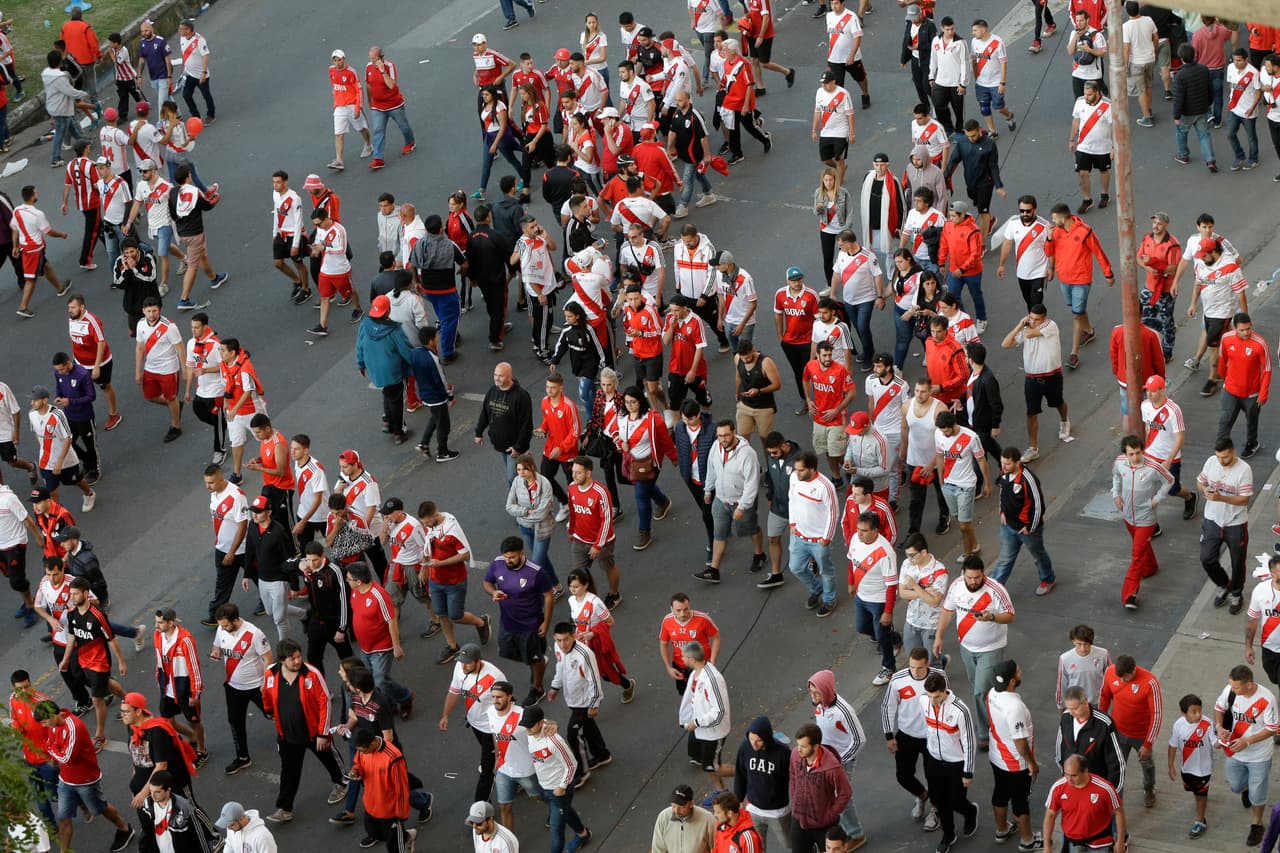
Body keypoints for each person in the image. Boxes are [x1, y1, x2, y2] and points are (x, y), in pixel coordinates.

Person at [258, 638, 347, 822]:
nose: (298, 661)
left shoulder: (312, 674)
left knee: (329, 759)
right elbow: (266, 693)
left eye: (299, 656)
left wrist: (323, 734)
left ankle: (342, 782)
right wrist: (267, 710)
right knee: (288, 772)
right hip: (287, 735)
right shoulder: (270, 674)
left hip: (314, 733)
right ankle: (284, 808)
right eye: (292, 658)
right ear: (282, 660)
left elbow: (325, 703)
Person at [34, 699, 135, 853]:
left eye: (44, 722)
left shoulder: (74, 727)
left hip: (85, 780)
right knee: (63, 818)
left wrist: (51, 749)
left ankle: (125, 829)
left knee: (101, 808)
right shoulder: (53, 726)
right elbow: (53, 745)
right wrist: (54, 752)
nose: (43, 725)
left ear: (53, 715)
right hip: (66, 780)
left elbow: (67, 758)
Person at [934, 557, 1014, 747]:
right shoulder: (957, 586)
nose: (973, 581)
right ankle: (997, 716)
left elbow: (1010, 615)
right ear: (963, 574)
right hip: (966, 648)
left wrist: (992, 617)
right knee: (981, 689)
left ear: (983, 574)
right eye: (970, 577)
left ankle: (985, 733)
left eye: (977, 577)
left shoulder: (996, 590)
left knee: (980, 691)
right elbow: (947, 611)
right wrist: (938, 637)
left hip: (991, 648)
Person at [484, 537, 555, 707]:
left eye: (512, 557)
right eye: (506, 556)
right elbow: (487, 582)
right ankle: (538, 662)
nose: (508, 560)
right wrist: (493, 592)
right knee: (507, 652)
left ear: (522, 553)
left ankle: (537, 688)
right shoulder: (498, 563)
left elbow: (548, 595)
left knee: (533, 658)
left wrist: (546, 622)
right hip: (507, 623)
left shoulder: (535, 572)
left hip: (530, 626)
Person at [883, 648, 947, 830]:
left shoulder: (938, 676)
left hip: (932, 736)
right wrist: (889, 736)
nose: (915, 672)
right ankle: (921, 795)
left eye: (919, 668)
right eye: (912, 667)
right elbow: (888, 708)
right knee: (903, 775)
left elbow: (947, 701)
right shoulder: (898, 679)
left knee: (933, 777)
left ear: (927, 664)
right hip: (906, 735)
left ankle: (935, 810)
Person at [1045, 202, 1114, 369]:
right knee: (1078, 309)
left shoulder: (1084, 231)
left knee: (1076, 314)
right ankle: (1089, 331)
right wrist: (1048, 238)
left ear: (1062, 217)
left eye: (1054, 218)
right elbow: (1049, 252)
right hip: (1064, 279)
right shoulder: (1056, 232)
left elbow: (1098, 252)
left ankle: (1074, 353)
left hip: (1081, 280)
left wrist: (1108, 273)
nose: (1052, 221)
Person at [1214, 665, 1277, 846]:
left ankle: (1256, 824)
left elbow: (1272, 729)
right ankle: (1245, 789)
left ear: (1249, 685)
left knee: (1258, 794)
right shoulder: (1230, 691)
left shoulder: (1267, 699)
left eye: (1236, 687)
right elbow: (1219, 708)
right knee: (1235, 785)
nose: (1232, 690)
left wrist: (1247, 741)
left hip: (1259, 756)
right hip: (1235, 752)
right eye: (1231, 686)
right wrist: (1219, 727)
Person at [694, 420, 764, 583]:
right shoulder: (715, 447)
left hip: (741, 502)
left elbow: (752, 483)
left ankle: (759, 554)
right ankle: (714, 569)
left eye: (726, 435)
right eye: (720, 436)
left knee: (751, 529)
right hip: (720, 499)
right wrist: (708, 490)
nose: (723, 439)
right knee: (719, 534)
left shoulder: (747, 454)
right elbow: (712, 469)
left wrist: (743, 506)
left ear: (734, 433)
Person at [1112, 435, 1174, 609]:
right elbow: (1116, 477)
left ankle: (1129, 595)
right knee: (1141, 547)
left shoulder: (1153, 466)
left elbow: (1169, 480)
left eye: (1138, 453)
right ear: (1125, 453)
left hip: (1146, 518)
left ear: (1142, 450)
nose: (1135, 458)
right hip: (1128, 516)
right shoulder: (1119, 462)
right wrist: (1116, 494)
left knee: (1136, 555)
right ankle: (1151, 568)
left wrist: (1157, 499)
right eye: (1131, 454)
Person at [807, 669, 867, 847]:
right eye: (811, 691)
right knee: (831, 796)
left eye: (817, 692)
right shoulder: (820, 705)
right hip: (826, 758)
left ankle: (856, 835)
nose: (813, 696)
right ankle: (842, 829)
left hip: (841, 761)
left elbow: (859, 740)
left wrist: (840, 762)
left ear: (826, 690)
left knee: (842, 797)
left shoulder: (844, 711)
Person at [920, 672, 979, 851]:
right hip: (934, 760)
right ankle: (948, 834)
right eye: (930, 696)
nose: (932, 701)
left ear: (945, 690)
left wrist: (968, 771)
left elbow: (970, 742)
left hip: (956, 763)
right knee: (938, 800)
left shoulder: (960, 710)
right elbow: (927, 727)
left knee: (955, 800)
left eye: (936, 696)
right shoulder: (924, 701)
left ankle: (970, 812)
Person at [1099, 655, 1164, 808]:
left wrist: (1148, 744)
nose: (1122, 681)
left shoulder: (1150, 682)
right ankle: (1116, 801)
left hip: (1140, 736)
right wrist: (1101, 722)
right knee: (1117, 768)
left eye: (1125, 678)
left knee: (1147, 764)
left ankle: (1149, 788)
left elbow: (1157, 714)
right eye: (1119, 678)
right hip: (1118, 733)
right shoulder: (1110, 672)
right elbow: (1104, 696)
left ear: (1133, 670)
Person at [1198, 437, 1253, 614]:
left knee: (1238, 562)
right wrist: (1205, 489)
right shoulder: (1211, 462)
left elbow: (1244, 500)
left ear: (1233, 452)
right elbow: (1200, 481)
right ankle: (1224, 584)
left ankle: (1236, 593)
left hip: (1235, 522)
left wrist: (1221, 497)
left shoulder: (1244, 470)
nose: (1222, 461)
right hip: (1212, 519)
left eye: (1226, 457)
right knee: (1207, 558)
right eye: (1219, 457)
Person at [788, 723, 853, 852]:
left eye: (803, 746)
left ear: (816, 746)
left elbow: (845, 793)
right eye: (798, 745)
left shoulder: (832, 767)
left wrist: (830, 815)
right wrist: (795, 799)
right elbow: (793, 776)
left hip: (823, 825)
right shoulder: (795, 755)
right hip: (799, 819)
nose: (798, 749)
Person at [12, 184, 73, 319]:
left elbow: (15, 229)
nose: (37, 194)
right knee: (31, 278)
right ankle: (23, 306)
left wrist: (15, 246)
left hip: (25, 247)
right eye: (36, 192)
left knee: (46, 267)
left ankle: (60, 288)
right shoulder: (38, 214)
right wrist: (62, 234)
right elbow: (49, 232)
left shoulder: (17, 210)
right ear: (32, 197)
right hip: (34, 250)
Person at [1042, 755, 1125, 853]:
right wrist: (1046, 846)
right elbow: (1050, 816)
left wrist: (1120, 842)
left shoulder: (1105, 789)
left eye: (1074, 775)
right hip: (1072, 841)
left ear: (1085, 771)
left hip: (1099, 841)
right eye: (1066, 774)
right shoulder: (1058, 787)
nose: (1069, 779)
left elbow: (1119, 813)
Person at [731, 715, 792, 848]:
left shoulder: (783, 753)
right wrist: (738, 799)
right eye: (751, 739)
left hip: (778, 811)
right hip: (753, 808)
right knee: (757, 846)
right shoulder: (745, 747)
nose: (753, 744)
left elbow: (793, 779)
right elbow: (741, 774)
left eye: (758, 740)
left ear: (767, 738)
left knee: (790, 844)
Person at [1216, 312, 1270, 456]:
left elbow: (1267, 369)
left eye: (1248, 328)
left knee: (1252, 421)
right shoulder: (1226, 339)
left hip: (1252, 393)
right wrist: (1224, 378)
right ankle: (1222, 451)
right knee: (1224, 421)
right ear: (1235, 328)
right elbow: (1222, 360)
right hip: (1230, 390)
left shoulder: (1260, 343)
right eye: (1242, 330)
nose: (1246, 332)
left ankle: (1252, 443)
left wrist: (1263, 393)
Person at [475, 362, 535, 485]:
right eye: (495, 375)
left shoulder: (521, 396)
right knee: (517, 477)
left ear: (509, 377)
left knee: (512, 478)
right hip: (502, 446)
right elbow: (485, 413)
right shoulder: (492, 391)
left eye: (501, 376)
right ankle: (524, 496)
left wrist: (518, 447)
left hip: (515, 448)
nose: (497, 378)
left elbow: (526, 424)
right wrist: (478, 432)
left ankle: (519, 501)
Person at [1056, 686, 1125, 791]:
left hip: (1096, 789)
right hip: (1071, 786)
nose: (1071, 713)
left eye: (1074, 708)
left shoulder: (1104, 724)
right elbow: (1060, 751)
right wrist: (1066, 776)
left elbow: (1117, 763)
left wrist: (1112, 793)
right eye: (1068, 708)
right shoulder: (1065, 719)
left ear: (1085, 702)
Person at [1166, 693, 1214, 839]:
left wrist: (1223, 741)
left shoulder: (1208, 724)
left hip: (1203, 770)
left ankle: (1200, 821)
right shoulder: (1178, 725)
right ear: (1183, 713)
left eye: (1200, 710)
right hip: (1186, 769)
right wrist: (1171, 766)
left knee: (1201, 796)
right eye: (1194, 712)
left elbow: (1215, 741)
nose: (1198, 714)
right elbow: (1173, 746)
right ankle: (1201, 803)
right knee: (1196, 793)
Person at [1068, 81, 1113, 215]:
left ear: (1097, 93)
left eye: (1089, 94)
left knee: (1103, 170)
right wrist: (1071, 139)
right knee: (1082, 173)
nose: (1086, 97)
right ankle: (1087, 199)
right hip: (1084, 145)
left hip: (1103, 147)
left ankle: (1104, 194)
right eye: (1085, 94)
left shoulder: (1107, 105)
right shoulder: (1080, 102)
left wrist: (1114, 147)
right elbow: (1076, 120)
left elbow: (1114, 127)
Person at [1173, 43, 1217, 170]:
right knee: (1204, 135)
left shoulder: (1180, 75)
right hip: (1202, 109)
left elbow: (1178, 98)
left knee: (1181, 132)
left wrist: (1176, 115)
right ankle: (1210, 160)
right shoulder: (1203, 69)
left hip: (1186, 112)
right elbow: (1210, 89)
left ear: (1181, 58)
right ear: (1194, 55)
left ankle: (1183, 155)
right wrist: (1208, 103)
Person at [41, 51, 88, 169]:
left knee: (72, 128)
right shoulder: (59, 78)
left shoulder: (46, 74)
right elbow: (70, 91)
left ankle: (84, 143)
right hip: (61, 108)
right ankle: (55, 159)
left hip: (54, 106)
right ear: (59, 62)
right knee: (60, 134)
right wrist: (83, 93)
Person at [813, 71, 856, 188]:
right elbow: (817, 111)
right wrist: (814, 130)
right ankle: (841, 167)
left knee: (838, 159)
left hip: (841, 132)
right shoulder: (819, 92)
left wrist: (851, 133)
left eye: (826, 83)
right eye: (822, 83)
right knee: (826, 160)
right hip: (825, 132)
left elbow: (850, 115)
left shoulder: (843, 94)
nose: (824, 85)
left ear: (833, 82)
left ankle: (839, 185)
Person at [929, 18, 970, 134]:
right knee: (938, 106)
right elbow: (933, 59)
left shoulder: (960, 43)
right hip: (940, 81)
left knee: (958, 110)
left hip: (955, 83)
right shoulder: (936, 41)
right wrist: (931, 76)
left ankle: (959, 130)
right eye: (947, 29)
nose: (950, 32)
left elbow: (965, 63)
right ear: (942, 28)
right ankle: (948, 128)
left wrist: (963, 83)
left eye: (952, 29)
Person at [1224, 48, 1261, 172]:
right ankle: (1239, 156)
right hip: (1234, 108)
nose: (1236, 63)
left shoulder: (1253, 73)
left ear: (1246, 59)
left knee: (1251, 136)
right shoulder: (1230, 68)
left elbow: (1258, 91)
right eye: (1234, 60)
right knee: (1230, 134)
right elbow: (1230, 84)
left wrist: (1252, 107)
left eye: (1239, 60)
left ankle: (1253, 159)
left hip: (1248, 111)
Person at [652, 784, 717, 853]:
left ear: (691, 804)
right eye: (673, 806)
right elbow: (658, 849)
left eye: (681, 807)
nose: (676, 811)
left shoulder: (708, 820)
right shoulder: (663, 817)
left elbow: (719, 846)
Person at [176, 20, 214, 122]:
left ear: (188, 30)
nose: (179, 31)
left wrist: (204, 73)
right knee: (186, 95)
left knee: (206, 95)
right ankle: (195, 115)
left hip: (200, 74)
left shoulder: (199, 40)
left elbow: (205, 56)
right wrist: (183, 69)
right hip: (189, 74)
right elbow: (184, 54)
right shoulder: (182, 38)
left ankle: (211, 115)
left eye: (181, 29)